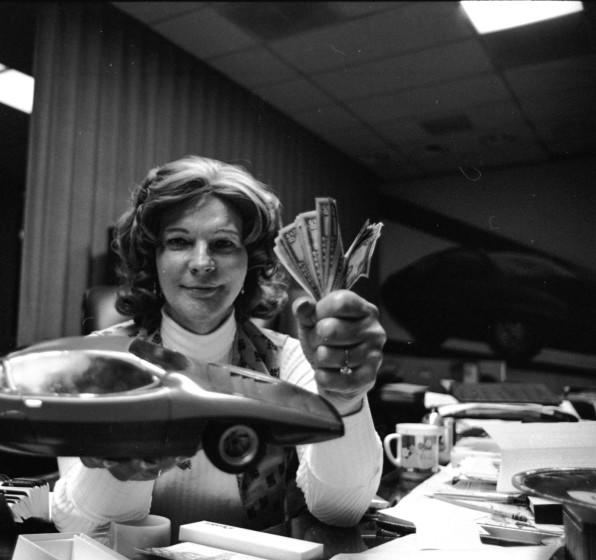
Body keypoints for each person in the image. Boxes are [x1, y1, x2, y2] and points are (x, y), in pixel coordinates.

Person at [52, 155, 386, 536]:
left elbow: (340, 511)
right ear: (154, 259)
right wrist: (122, 462)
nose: (201, 263)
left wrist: (345, 400)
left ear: (251, 264)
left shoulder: (288, 358)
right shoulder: (98, 359)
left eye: (223, 244)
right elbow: (76, 524)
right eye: (179, 241)